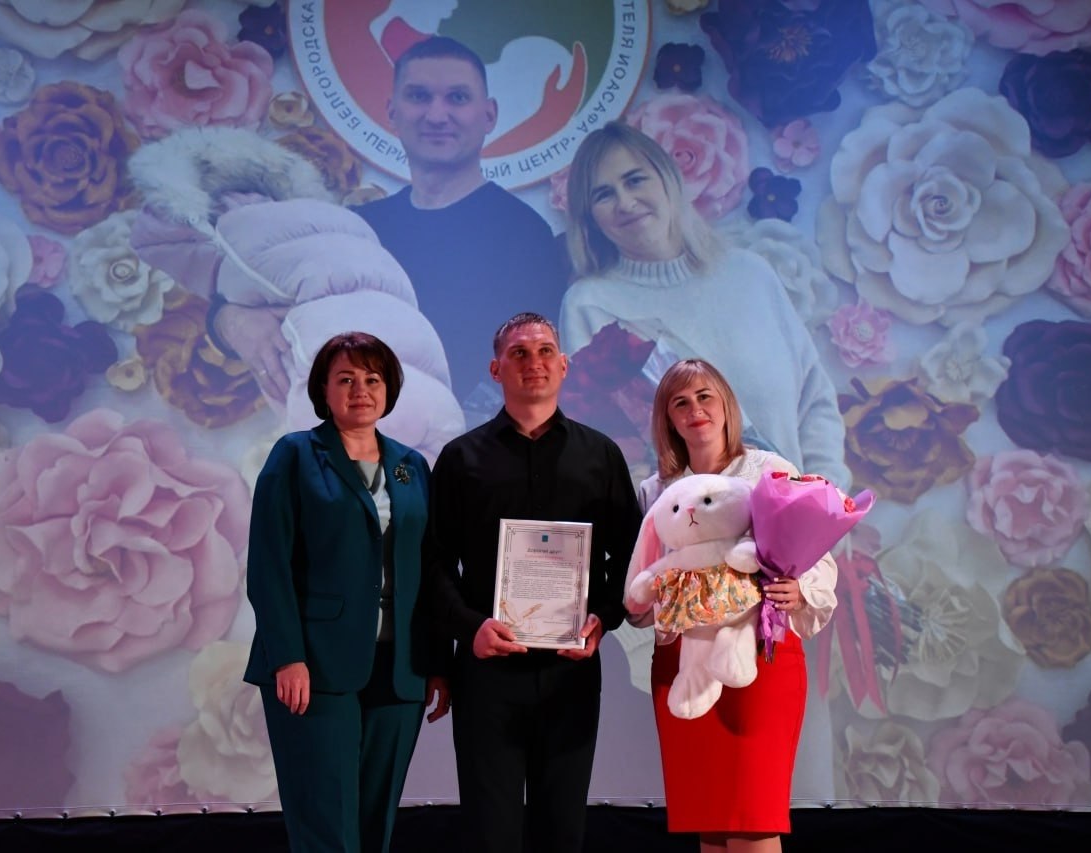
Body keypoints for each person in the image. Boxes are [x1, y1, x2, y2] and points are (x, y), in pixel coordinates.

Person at [423, 312, 641, 853]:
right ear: (495, 369)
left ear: (563, 365)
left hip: (571, 672)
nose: (533, 362)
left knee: (561, 831)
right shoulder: (461, 459)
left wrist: (603, 619)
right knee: (489, 832)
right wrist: (468, 627)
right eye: (518, 353)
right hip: (487, 672)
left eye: (545, 351)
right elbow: (434, 562)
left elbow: (631, 557)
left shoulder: (601, 455)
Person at [244, 332, 450, 853]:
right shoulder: (295, 455)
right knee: (326, 823)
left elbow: (429, 570)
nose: (361, 390)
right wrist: (287, 656)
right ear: (324, 389)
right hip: (314, 666)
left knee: (375, 822)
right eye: (347, 379)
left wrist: (437, 662)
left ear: (389, 389)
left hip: (399, 666)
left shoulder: (411, 466)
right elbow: (269, 566)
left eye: (373, 379)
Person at [559, 120, 848, 487]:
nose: (626, 203)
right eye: (604, 195)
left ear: (668, 180)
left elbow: (814, 399)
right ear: (590, 218)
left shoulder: (750, 274)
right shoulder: (589, 305)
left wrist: (825, 492)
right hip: (689, 521)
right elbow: (609, 451)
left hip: (800, 515)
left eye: (635, 180)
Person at [633, 358, 838, 853]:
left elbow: (815, 554)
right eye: (680, 402)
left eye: (704, 396)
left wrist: (799, 590)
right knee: (710, 820)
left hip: (761, 660)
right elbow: (643, 579)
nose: (695, 410)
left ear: (725, 403)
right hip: (682, 663)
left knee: (752, 818)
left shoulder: (770, 471)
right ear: (668, 418)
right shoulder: (655, 490)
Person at [356, 37, 570, 411]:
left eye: (457, 97)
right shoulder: (361, 230)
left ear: (489, 115)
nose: (437, 115)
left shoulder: (524, 235)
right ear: (392, 112)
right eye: (419, 96)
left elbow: (527, 372)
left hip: (468, 441)